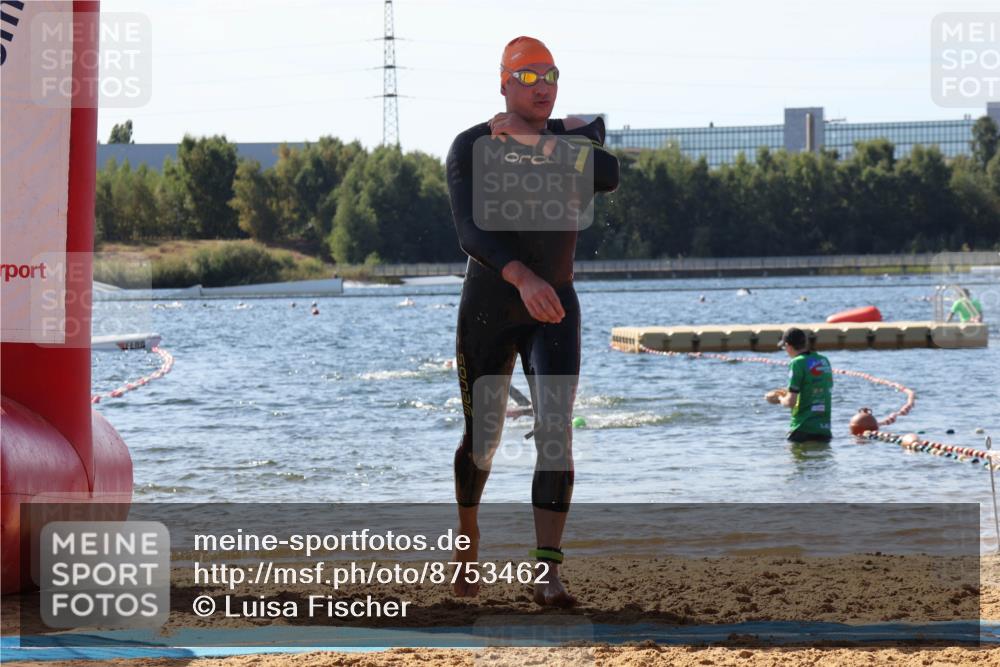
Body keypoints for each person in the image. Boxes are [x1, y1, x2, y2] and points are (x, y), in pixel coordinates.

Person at [445, 36, 619, 607]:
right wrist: (522, 277)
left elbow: (608, 173)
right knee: (483, 439)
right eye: (527, 77)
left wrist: (533, 141)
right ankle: (468, 539)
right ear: (503, 83)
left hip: (555, 308)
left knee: (556, 434)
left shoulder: (571, 137)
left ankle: (547, 571)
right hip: (491, 307)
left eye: (550, 75)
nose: (542, 87)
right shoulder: (472, 145)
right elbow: (470, 233)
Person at [765, 327, 833, 442]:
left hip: (802, 429)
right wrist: (787, 391)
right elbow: (814, 387)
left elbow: (790, 402)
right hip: (824, 430)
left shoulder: (797, 362)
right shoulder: (824, 360)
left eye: (784, 347)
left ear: (788, 345)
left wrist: (779, 398)